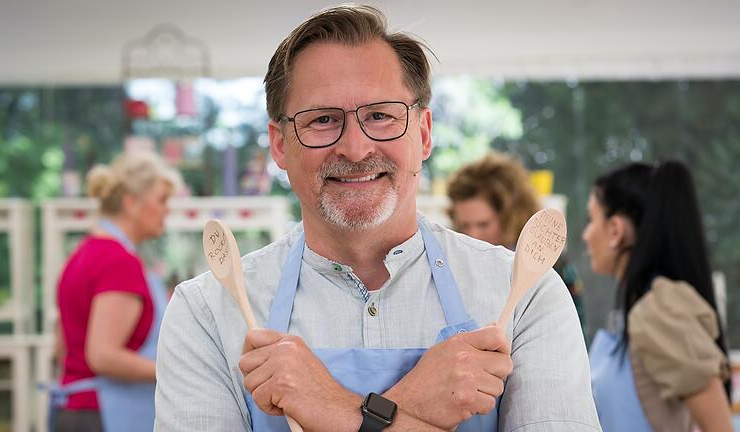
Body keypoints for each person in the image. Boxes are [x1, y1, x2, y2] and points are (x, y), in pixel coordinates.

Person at [155, 4, 599, 431]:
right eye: (323, 119)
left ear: (423, 133)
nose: (355, 148)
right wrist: (415, 405)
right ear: (279, 144)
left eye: (381, 116)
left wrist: (329, 408)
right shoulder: (208, 311)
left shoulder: (527, 295)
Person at [583, 161, 732, 431]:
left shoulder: (660, 309)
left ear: (615, 230)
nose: (585, 235)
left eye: (591, 220)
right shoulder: (637, 310)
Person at [52, 151, 181, 432]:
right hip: (103, 416)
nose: (167, 210)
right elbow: (102, 356)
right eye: (161, 200)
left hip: (74, 410)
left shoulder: (83, 253)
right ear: (131, 203)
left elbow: (60, 348)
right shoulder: (118, 261)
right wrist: (177, 370)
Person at [446, 151, 585, 329]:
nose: (473, 235)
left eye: (483, 224)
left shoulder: (554, 267)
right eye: (465, 225)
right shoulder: (455, 266)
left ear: (510, 217)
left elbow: (577, 334)